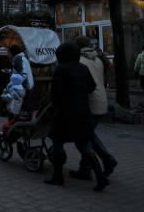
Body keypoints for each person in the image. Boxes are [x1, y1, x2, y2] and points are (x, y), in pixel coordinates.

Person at [44, 42, 109, 192]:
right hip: (83, 111)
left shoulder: (60, 69)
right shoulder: (83, 68)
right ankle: (100, 177)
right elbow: (92, 87)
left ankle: (58, 176)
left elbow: (55, 93)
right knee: (85, 145)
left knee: (58, 142)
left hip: (65, 112)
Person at [69, 36, 118, 181]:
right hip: (101, 101)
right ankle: (88, 168)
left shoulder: (79, 61)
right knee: (89, 135)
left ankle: (100, 163)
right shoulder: (96, 59)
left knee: (82, 138)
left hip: (88, 103)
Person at [9, 44, 34, 111]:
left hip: (25, 84)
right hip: (27, 83)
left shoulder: (18, 59)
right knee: (24, 100)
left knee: (23, 101)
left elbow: (23, 73)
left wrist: (17, 84)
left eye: (10, 52)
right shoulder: (22, 58)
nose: (10, 54)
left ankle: (27, 115)